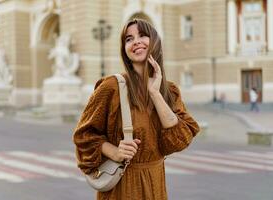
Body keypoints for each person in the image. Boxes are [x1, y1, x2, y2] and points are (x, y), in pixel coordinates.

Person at [73, 19, 200, 200]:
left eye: (142, 35)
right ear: (125, 49)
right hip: (123, 187)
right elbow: (83, 135)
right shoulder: (111, 87)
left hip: (156, 185)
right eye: (129, 39)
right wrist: (114, 152)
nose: (136, 42)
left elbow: (179, 140)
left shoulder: (169, 91)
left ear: (154, 41)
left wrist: (155, 93)